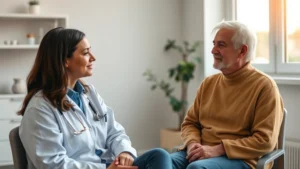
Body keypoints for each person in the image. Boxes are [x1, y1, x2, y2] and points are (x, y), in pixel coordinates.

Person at [18, 27, 172, 169]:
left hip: (108, 164)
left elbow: (114, 132)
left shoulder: (89, 93)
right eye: (85, 53)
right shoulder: (40, 108)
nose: (93, 57)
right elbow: (53, 164)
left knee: (159, 155)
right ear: (65, 60)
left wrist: (125, 152)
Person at [170, 21, 284, 169]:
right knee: (159, 159)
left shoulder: (265, 86)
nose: (213, 50)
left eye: (221, 45)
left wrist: (217, 149)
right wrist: (193, 144)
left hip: (240, 160)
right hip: (201, 153)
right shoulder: (208, 83)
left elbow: (265, 140)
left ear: (242, 51)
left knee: (197, 168)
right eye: (214, 44)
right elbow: (190, 123)